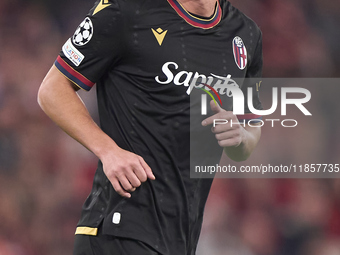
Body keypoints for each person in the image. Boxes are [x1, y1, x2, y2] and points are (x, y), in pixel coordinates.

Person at [37, 0, 262, 254]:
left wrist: (240, 136)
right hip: (118, 229)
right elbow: (52, 90)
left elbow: (250, 130)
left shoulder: (247, 34)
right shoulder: (125, 10)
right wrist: (108, 151)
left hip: (180, 239)